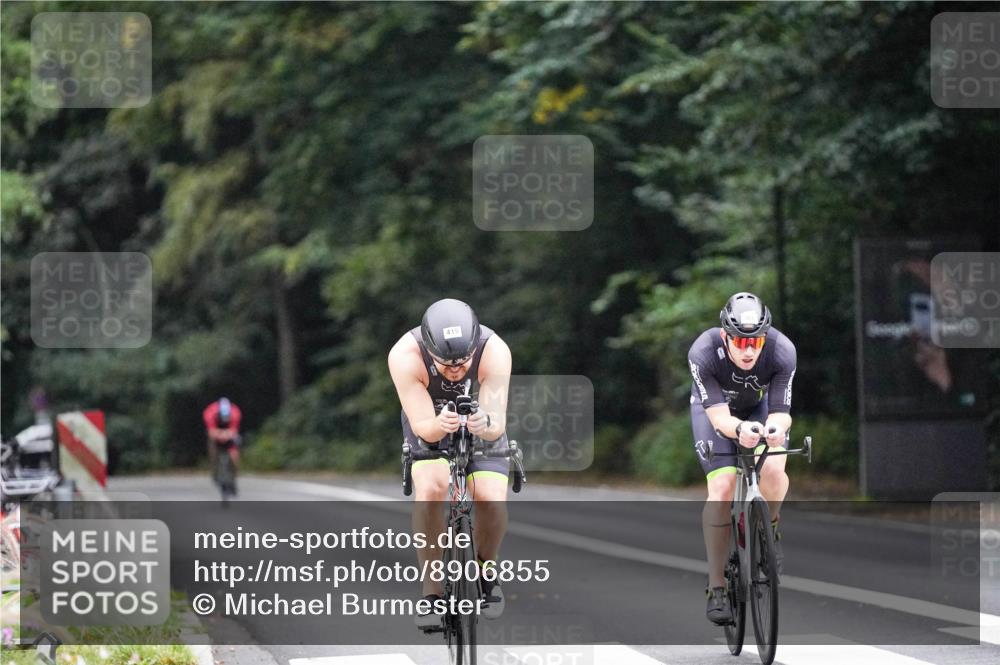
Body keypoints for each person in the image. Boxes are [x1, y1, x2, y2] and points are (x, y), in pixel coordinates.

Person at [388, 298, 512, 628]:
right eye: (446, 363)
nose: (456, 369)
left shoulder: (494, 350)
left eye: (463, 361)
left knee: (489, 496)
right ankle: (432, 591)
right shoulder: (405, 355)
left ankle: (487, 569)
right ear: (429, 351)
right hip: (429, 420)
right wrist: (439, 424)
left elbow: (496, 423)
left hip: (479, 420)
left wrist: (483, 423)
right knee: (431, 489)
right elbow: (423, 426)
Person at [687, 292, 796, 625]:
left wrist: (774, 430)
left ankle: (770, 526)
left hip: (759, 408)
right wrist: (740, 430)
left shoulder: (782, 351)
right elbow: (720, 419)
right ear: (725, 336)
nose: (748, 349)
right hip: (715, 412)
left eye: (756, 342)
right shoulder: (703, 353)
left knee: (775, 468)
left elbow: (781, 411)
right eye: (740, 341)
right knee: (722, 488)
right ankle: (717, 587)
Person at [203, 397, 242, 490]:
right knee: (212, 448)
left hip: (228, 434)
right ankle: (215, 470)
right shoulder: (210, 413)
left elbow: (234, 431)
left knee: (234, 455)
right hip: (216, 433)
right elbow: (211, 431)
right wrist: (220, 435)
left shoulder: (235, 413)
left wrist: (227, 434)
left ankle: (234, 476)